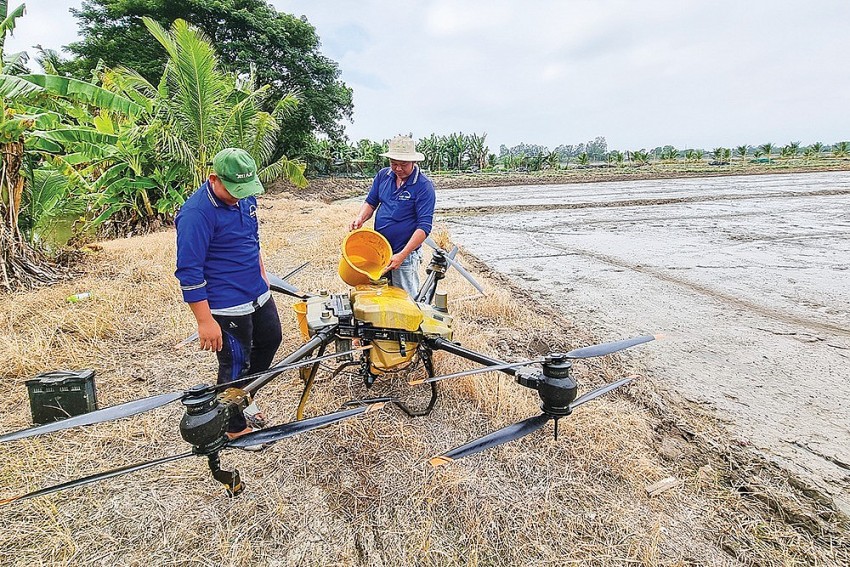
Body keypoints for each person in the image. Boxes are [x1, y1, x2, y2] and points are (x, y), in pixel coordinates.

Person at [174, 147, 282, 441]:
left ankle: (243, 396)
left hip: (256, 292)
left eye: (245, 189)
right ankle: (233, 427)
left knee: (271, 340)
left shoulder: (245, 196)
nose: (240, 195)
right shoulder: (196, 214)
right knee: (235, 362)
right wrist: (205, 321)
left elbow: (252, 238)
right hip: (226, 303)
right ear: (214, 179)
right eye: (234, 190)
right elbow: (189, 271)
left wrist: (261, 272)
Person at [349, 135, 436, 296]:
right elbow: (371, 202)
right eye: (393, 164)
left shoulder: (424, 186)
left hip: (404, 256)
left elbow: (424, 227)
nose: (397, 169)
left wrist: (402, 255)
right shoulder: (383, 176)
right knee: (378, 297)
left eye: (403, 164)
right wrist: (360, 218)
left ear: (413, 162)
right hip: (379, 251)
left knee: (405, 300)